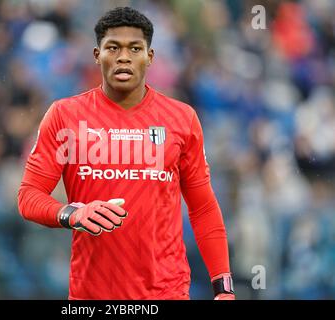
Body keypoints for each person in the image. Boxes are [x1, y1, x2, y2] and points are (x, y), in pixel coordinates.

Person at [18, 7, 235, 300]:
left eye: (135, 48)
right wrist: (72, 213)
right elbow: (29, 196)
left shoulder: (181, 119)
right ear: (97, 55)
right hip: (91, 296)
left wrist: (223, 287)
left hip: (166, 293)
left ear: (150, 57)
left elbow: (203, 207)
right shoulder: (64, 116)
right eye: (113, 48)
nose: (123, 57)